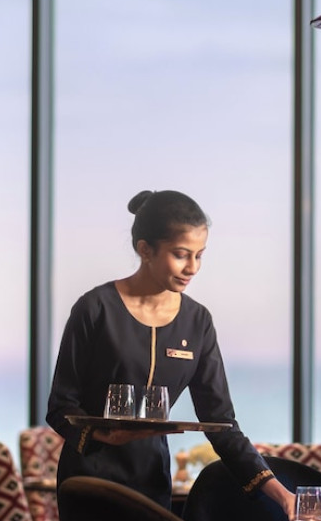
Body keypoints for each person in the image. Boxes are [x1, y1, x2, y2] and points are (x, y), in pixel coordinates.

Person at [46, 189, 296, 518]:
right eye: (181, 255)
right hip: (88, 480)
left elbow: (222, 424)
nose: (192, 268)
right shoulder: (95, 309)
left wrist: (281, 493)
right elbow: (60, 407)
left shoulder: (197, 321)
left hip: (152, 482)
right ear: (145, 250)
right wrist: (104, 435)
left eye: (199, 255)